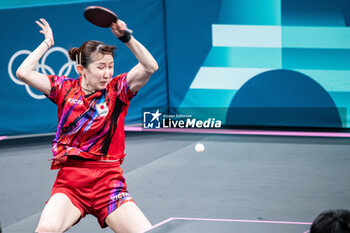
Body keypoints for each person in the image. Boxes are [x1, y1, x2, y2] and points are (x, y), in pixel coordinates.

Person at [16, 17, 158, 233]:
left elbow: (150, 66)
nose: (107, 73)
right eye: (101, 67)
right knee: (46, 230)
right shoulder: (63, 89)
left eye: (110, 66)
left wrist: (126, 38)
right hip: (71, 183)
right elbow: (23, 73)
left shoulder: (118, 90)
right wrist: (46, 44)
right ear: (81, 69)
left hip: (109, 183)